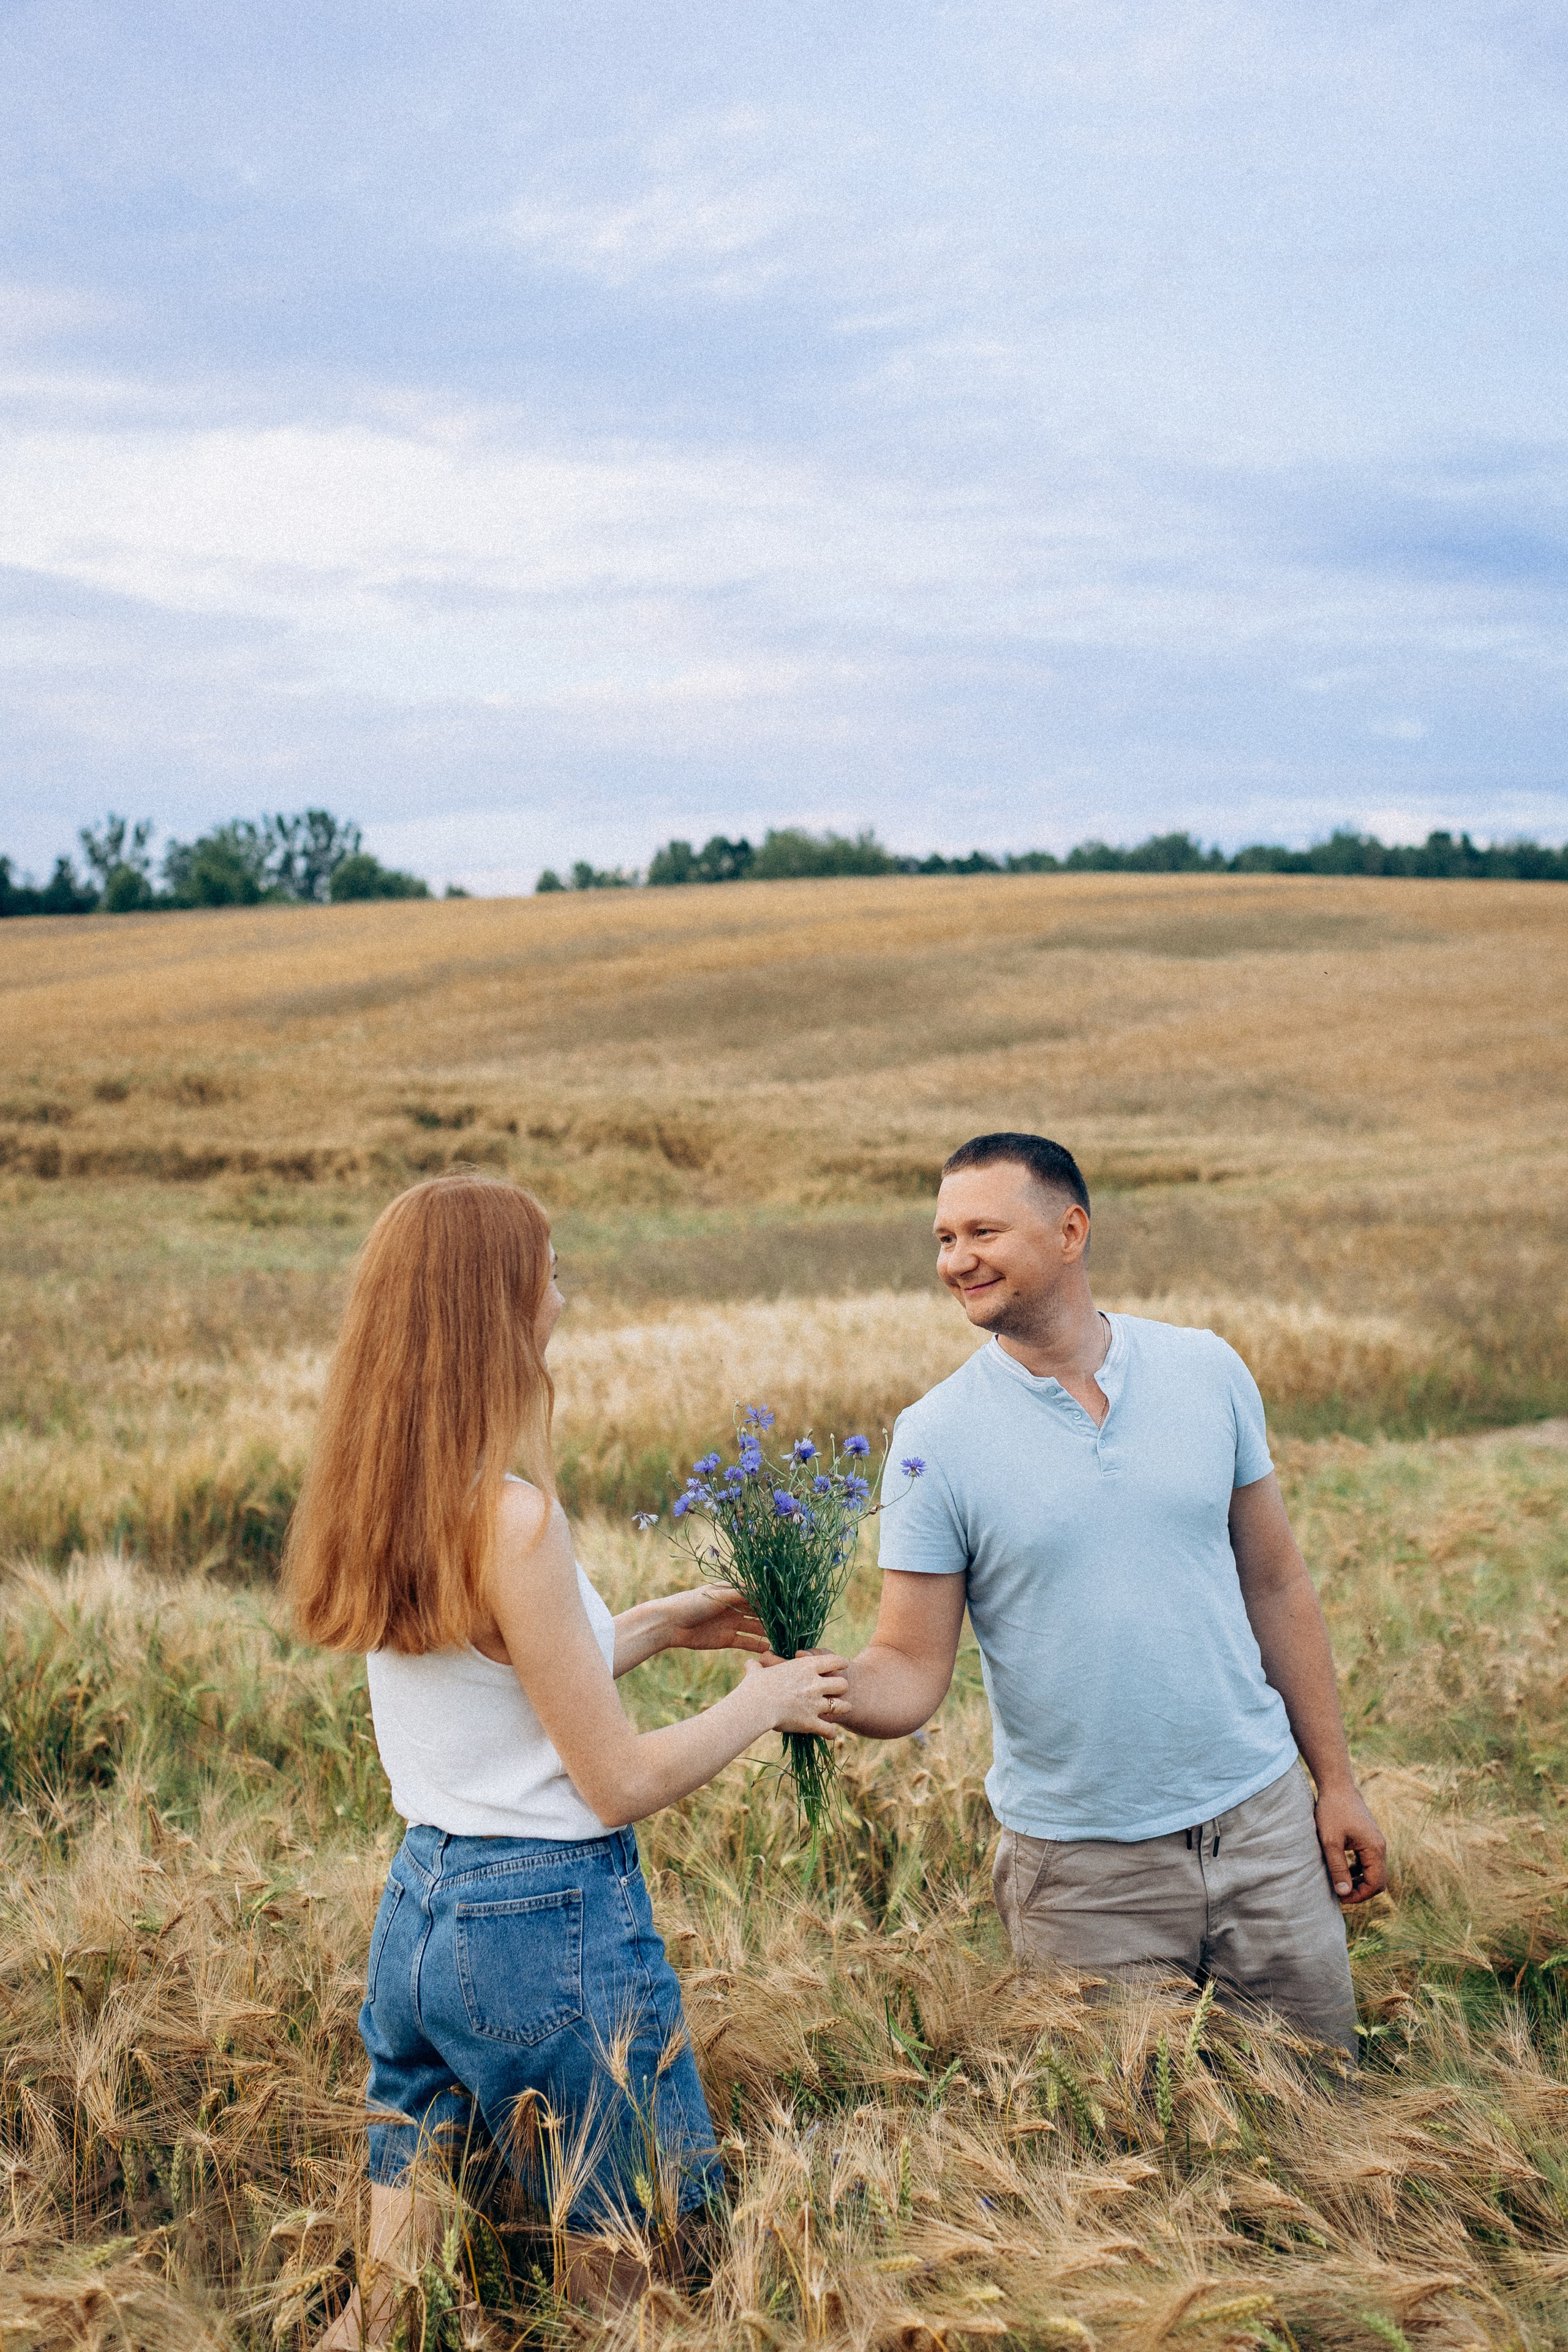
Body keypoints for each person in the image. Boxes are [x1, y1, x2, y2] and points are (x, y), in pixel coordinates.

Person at [284, 1170, 845, 2337]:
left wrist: (658, 1622)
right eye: (547, 1272)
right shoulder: (517, 1519)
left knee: (395, 2294)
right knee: (630, 2276)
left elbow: (503, 1685)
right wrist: (772, 1698)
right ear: (496, 1304)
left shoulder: (385, 1496)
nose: (562, 1298)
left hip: (421, 1918)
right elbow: (619, 1780)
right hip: (542, 1934)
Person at [831, 1131, 1386, 2055]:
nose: (955, 1260)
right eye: (942, 1239)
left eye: (981, 1232)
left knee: (1325, 2116)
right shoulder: (935, 1434)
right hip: (1083, 1879)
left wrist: (1335, 1785)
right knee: (1127, 2166)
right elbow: (909, 1667)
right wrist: (810, 1690)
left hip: (1264, 1832)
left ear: (1070, 1231)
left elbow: (1277, 1582)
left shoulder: (1206, 1369)